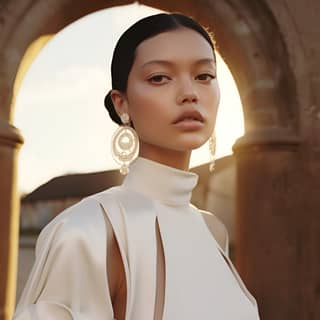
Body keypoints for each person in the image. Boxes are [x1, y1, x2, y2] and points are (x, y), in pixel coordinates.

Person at [13, 12, 261, 320]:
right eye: (159, 77)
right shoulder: (87, 231)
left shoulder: (213, 232)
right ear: (122, 104)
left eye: (204, 76)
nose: (189, 93)